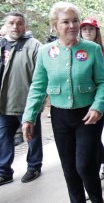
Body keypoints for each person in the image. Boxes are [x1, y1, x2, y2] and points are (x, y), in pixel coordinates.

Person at [22, 2, 104, 203]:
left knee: (85, 166)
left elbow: (103, 82)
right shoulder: (45, 52)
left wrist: (97, 107)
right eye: (66, 22)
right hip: (60, 117)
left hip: (88, 115)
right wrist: (29, 117)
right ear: (55, 26)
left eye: (75, 20)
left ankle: (97, 200)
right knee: (69, 168)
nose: (72, 26)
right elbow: (38, 85)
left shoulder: (92, 49)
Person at [0, 12, 43, 186]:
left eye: (19, 23)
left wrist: (39, 102)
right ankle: (4, 171)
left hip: (27, 103)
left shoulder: (34, 46)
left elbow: (41, 77)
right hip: (3, 104)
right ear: (5, 25)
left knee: (32, 137)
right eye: (11, 23)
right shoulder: (1, 44)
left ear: (25, 26)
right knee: (3, 138)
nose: (15, 27)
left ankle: (34, 166)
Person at [79, 18, 104, 180]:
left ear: (97, 32)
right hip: (84, 103)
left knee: (95, 138)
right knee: (91, 139)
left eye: (91, 29)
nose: (87, 31)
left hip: (103, 102)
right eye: (84, 28)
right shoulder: (76, 51)